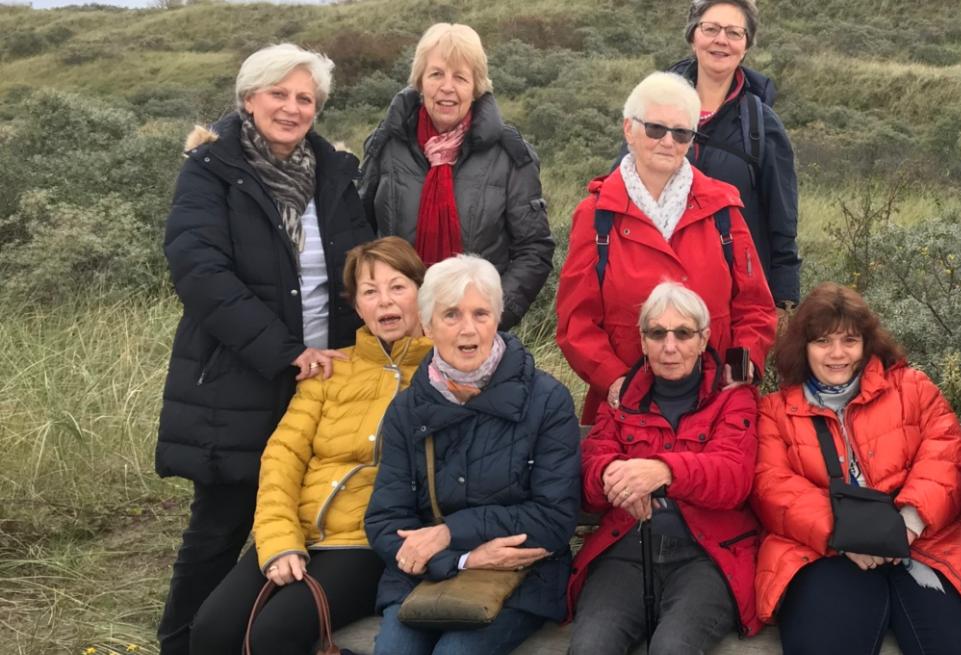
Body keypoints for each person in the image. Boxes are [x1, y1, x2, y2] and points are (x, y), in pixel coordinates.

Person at [155, 43, 376, 655]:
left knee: (300, 511)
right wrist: (285, 351)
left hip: (324, 376)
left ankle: (259, 637)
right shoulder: (210, 170)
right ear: (249, 98)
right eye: (279, 94)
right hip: (237, 376)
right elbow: (199, 270)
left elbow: (359, 264)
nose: (292, 107)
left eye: (305, 98)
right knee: (221, 525)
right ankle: (181, 643)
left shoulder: (333, 171)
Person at [188, 237, 433, 654]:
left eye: (397, 287)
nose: (384, 302)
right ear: (357, 307)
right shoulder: (332, 371)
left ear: (421, 293)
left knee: (273, 636)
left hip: (366, 545)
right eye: (369, 292)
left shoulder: (439, 375)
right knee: (210, 631)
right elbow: (284, 457)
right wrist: (280, 540)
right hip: (298, 532)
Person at [753, 282, 961, 655]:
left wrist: (909, 524)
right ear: (803, 347)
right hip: (825, 551)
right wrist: (849, 535)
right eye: (822, 341)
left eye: (849, 341)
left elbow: (945, 455)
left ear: (866, 344)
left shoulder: (911, 388)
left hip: (923, 541)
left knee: (952, 645)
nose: (837, 354)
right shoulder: (776, 411)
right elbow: (772, 485)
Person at [365, 254, 581, 654]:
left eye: (481, 313)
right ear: (427, 326)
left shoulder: (546, 399)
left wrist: (450, 533)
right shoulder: (407, 409)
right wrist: (462, 560)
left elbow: (554, 518)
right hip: (428, 576)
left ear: (497, 319)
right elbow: (385, 520)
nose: (469, 330)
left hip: (521, 575)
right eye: (451, 315)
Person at [557, 71, 777, 424]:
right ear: (628, 129)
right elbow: (576, 323)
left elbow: (754, 309)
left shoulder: (723, 210)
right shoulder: (595, 216)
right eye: (655, 128)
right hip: (625, 412)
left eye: (681, 132)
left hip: (714, 408)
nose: (668, 141)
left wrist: (735, 378)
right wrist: (617, 383)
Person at [567, 282, 763, 653]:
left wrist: (664, 471)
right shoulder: (621, 397)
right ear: (643, 341)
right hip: (626, 551)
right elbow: (591, 471)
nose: (669, 347)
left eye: (683, 333)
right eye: (657, 333)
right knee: (590, 647)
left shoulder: (733, 398)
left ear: (704, 338)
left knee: (672, 648)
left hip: (704, 556)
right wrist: (615, 478)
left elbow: (733, 476)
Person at [361, 23, 553, 330]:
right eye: (436, 74)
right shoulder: (386, 145)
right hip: (398, 328)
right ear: (420, 82)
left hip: (473, 335)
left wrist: (489, 317)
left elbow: (534, 249)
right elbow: (360, 233)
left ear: (476, 87)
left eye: (460, 77)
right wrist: (378, 306)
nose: (447, 87)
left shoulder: (511, 155)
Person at [634, 0, 801, 309]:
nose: (721, 40)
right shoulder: (654, 107)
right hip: (654, 296)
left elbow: (782, 224)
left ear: (746, 45)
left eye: (734, 32)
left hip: (735, 301)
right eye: (710, 29)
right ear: (692, 36)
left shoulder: (762, 125)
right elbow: (623, 186)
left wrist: (784, 302)